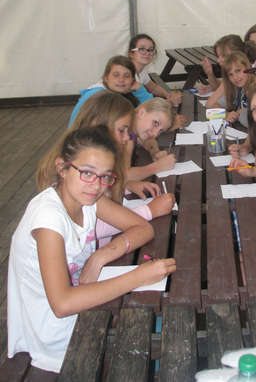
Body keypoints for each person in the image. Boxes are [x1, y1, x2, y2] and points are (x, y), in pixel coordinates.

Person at [8, 125, 176, 374]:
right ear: (62, 168)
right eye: (87, 173)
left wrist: (101, 256)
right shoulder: (48, 218)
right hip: (57, 336)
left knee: (160, 325)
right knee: (158, 338)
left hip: (84, 309)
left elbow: (143, 228)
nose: (96, 185)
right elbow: (62, 304)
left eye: (105, 176)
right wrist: (137, 277)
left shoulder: (86, 199)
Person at [70, 91, 175, 223]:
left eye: (160, 131)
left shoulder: (129, 129)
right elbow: (123, 174)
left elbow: (147, 141)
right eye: (155, 123)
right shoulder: (127, 136)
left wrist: (154, 151)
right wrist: (157, 167)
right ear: (141, 112)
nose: (155, 133)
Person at [69, 55, 142, 126]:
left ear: (132, 80)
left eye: (127, 76)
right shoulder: (99, 95)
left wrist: (140, 90)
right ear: (106, 78)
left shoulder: (121, 92)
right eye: (116, 75)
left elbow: (145, 113)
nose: (121, 80)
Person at [128, 34, 182, 106]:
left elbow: (153, 88)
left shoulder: (141, 71)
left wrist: (168, 95)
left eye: (150, 49)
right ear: (131, 53)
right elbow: (147, 105)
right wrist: (170, 101)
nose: (147, 53)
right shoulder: (127, 75)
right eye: (142, 49)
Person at [207, 51, 255, 128]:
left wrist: (239, 113)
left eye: (238, 71)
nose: (235, 77)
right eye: (230, 74)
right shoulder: (236, 89)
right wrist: (226, 114)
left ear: (248, 67)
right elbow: (210, 110)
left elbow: (253, 121)